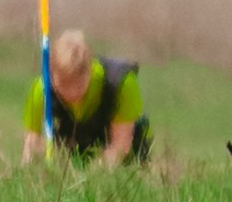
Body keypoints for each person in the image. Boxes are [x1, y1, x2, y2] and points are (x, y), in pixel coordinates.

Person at [21, 28, 152, 165]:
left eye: (78, 84)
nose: (71, 93)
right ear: (51, 75)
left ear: (89, 70)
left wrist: (90, 178)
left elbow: (121, 146)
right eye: (64, 84)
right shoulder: (42, 90)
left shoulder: (121, 83)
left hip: (127, 160)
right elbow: (31, 143)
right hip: (71, 160)